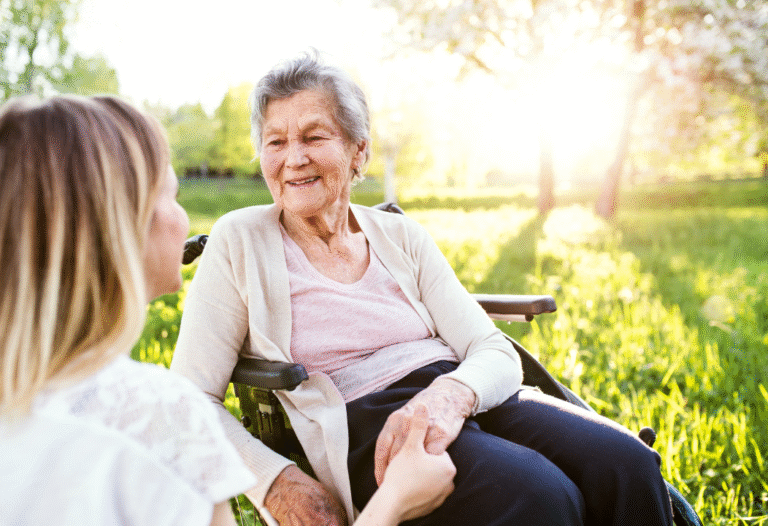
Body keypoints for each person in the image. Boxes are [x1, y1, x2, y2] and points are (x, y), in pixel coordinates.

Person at [170, 51, 674, 526]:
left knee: (626, 461)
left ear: (358, 151)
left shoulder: (401, 235)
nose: (293, 158)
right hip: (366, 421)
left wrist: (450, 396)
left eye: (314, 137)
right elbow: (189, 398)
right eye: (275, 142)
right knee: (539, 494)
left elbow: (492, 350)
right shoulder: (240, 238)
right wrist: (274, 481)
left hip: (460, 390)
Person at [0, 94, 455, 526]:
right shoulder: (159, 414)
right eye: (171, 194)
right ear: (121, 227)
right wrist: (394, 500)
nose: (183, 220)